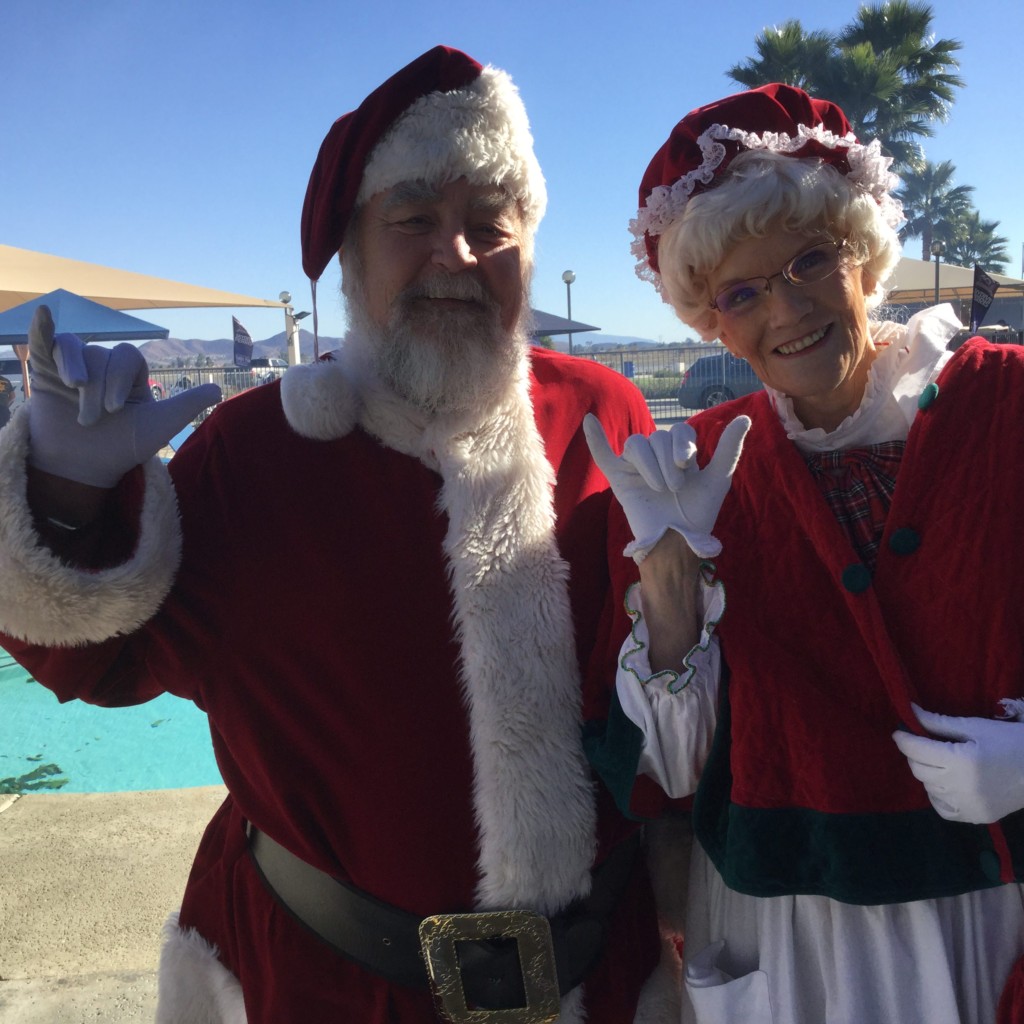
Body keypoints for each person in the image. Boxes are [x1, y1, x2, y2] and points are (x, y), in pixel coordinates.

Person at [0, 47, 671, 1024]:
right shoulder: (251, 450)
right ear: (351, 255)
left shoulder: (608, 414)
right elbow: (100, 665)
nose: (456, 254)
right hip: (322, 987)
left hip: (599, 983)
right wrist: (65, 497)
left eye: (492, 226)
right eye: (413, 221)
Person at [583, 83, 1024, 1024]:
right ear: (710, 321)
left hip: (990, 898)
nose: (784, 309)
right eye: (741, 292)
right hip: (782, 928)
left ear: (861, 257)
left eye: (808, 263)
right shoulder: (691, 464)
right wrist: (669, 577)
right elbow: (675, 764)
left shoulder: (1011, 407)